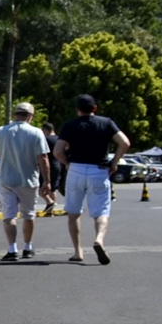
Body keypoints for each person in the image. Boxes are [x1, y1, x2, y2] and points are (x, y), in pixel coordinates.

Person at [54, 95, 131, 264]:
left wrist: (67, 163)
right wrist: (114, 162)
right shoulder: (106, 123)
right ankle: (99, 239)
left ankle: (78, 251)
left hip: (76, 169)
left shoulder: (70, 126)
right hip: (99, 170)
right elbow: (125, 143)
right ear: (95, 108)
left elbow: (57, 151)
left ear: (77, 109)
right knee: (101, 211)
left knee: (73, 213)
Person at [0, 102, 51, 259]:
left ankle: (12, 249)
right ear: (30, 116)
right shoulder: (36, 132)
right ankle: (27, 247)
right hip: (28, 180)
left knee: (9, 216)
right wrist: (47, 181)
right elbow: (43, 158)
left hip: (6, 180)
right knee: (28, 215)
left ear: (15, 114)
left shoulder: (2, 131)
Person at [40, 123, 61, 215]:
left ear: (46, 130)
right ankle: (50, 210)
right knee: (53, 189)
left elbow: (43, 154)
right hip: (57, 164)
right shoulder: (59, 139)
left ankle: (50, 202)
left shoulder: (46, 140)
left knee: (41, 187)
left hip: (48, 165)